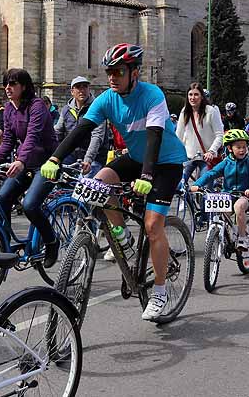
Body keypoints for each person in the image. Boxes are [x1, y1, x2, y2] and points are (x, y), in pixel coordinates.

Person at [41, 43, 188, 322]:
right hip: (135, 157)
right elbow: (82, 129)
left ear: (134, 73)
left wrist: (146, 176)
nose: (112, 77)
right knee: (98, 184)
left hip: (165, 162)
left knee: (153, 225)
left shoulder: (152, 94)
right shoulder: (107, 98)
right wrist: (54, 159)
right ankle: (122, 236)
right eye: (109, 72)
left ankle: (159, 291)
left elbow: (155, 136)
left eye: (118, 72)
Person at [0, 68, 60, 267]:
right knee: (1, 198)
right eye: (6, 84)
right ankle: (5, 245)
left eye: (13, 84)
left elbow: (33, 136)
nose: (8, 88)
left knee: (30, 205)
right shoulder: (9, 109)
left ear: (24, 87)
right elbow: (8, 140)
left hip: (46, 164)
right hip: (25, 163)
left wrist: (21, 160)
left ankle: (52, 241)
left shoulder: (37, 106)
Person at [189, 129, 249, 248]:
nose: (242, 149)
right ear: (230, 148)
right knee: (221, 212)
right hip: (227, 195)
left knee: (238, 207)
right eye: (238, 147)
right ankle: (224, 235)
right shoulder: (226, 162)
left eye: (244, 146)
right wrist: (197, 184)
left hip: (243, 195)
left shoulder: (248, 163)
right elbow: (211, 173)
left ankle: (243, 237)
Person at [54, 77, 107, 174]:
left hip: (94, 157)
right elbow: (57, 132)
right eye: (78, 87)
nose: (82, 90)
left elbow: (97, 137)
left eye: (85, 87)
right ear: (72, 91)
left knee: (85, 185)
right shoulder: (66, 110)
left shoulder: (97, 108)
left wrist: (88, 160)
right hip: (71, 156)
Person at [175, 82, 223, 182]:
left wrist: (211, 151)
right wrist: (175, 153)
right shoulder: (185, 112)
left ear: (202, 97)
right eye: (190, 94)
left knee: (204, 184)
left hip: (206, 158)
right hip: (189, 157)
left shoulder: (210, 111)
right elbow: (178, 135)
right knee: (179, 184)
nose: (193, 97)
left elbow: (219, 135)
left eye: (196, 94)